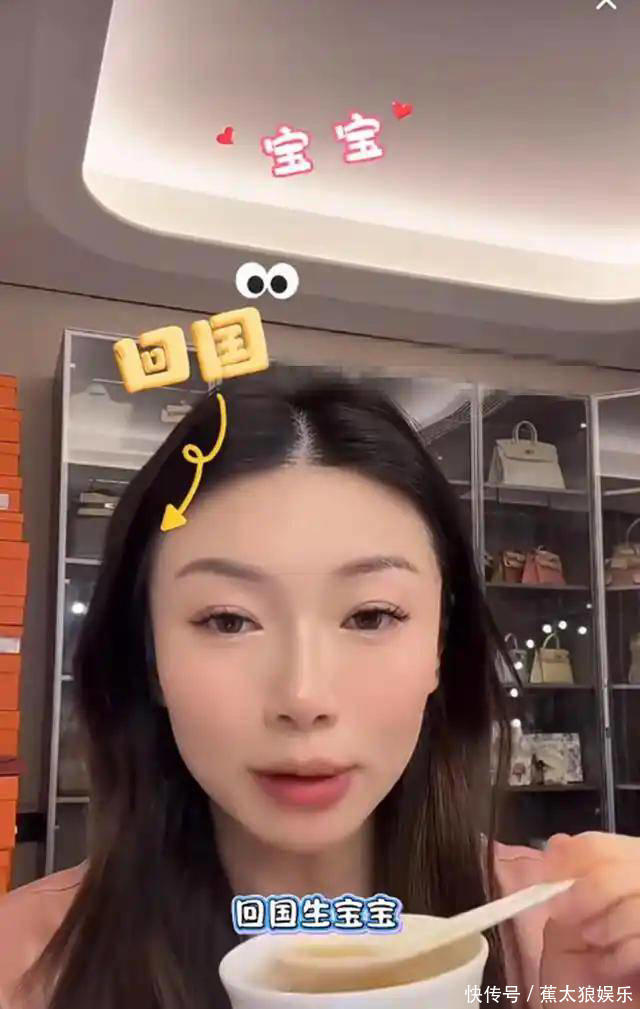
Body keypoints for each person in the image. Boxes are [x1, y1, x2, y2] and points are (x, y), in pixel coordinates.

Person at [0, 367, 638, 1009]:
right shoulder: (23, 960)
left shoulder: (563, 932)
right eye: (228, 620)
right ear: (150, 655)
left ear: (440, 646)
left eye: (371, 616)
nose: (303, 698)